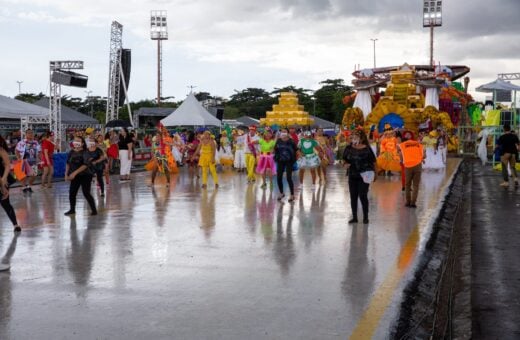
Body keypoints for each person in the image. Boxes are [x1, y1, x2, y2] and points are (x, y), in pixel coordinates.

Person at [342, 129, 376, 224]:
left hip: (365, 175)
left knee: (363, 195)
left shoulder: (367, 148)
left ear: (361, 138)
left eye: (356, 136)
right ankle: (354, 217)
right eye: (353, 136)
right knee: (353, 196)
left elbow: (373, 161)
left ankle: (365, 217)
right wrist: (345, 165)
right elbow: (344, 160)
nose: (354, 138)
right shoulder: (349, 148)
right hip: (352, 174)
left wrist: (375, 174)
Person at [64, 137, 97, 216]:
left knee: (86, 192)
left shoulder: (85, 152)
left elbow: (85, 165)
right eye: (75, 140)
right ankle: (72, 209)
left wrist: (74, 173)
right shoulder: (71, 152)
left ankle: (94, 210)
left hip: (85, 175)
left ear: (82, 143)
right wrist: (66, 174)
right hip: (74, 175)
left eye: (78, 141)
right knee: (72, 192)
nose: (76, 142)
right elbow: (68, 163)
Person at [0, 135, 21, 232]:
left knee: (5, 202)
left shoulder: (1, 150)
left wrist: (4, 179)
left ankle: (15, 224)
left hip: (2, 177)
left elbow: (8, 165)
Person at [398, 132, 425, 208]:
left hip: (408, 166)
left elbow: (400, 153)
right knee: (416, 185)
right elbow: (424, 155)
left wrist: (402, 161)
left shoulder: (403, 145)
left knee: (407, 185)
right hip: (417, 166)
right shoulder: (418, 144)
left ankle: (408, 202)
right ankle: (413, 202)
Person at [274, 128, 297, 202]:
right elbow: (275, 149)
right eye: (282, 131)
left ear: (287, 133)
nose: (283, 133)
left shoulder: (291, 141)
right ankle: (281, 193)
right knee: (279, 177)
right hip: (280, 160)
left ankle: (292, 195)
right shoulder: (278, 140)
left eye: (285, 132)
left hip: (289, 161)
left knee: (288, 178)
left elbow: (296, 150)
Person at [15, 129, 40, 193]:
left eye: (32, 133)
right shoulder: (22, 142)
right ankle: (24, 187)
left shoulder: (36, 142)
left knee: (34, 175)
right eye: (29, 133)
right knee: (24, 176)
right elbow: (16, 150)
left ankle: (29, 186)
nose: (31, 134)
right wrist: (18, 157)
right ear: (26, 134)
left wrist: (38, 158)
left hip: (33, 161)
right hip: (24, 161)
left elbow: (39, 151)